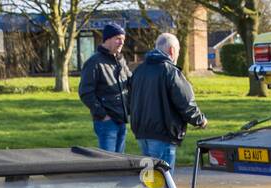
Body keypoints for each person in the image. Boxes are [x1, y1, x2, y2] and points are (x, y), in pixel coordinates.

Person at [128, 32, 207, 170]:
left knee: (150, 178)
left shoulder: (139, 70)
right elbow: (185, 101)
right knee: (164, 179)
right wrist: (199, 120)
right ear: (172, 50)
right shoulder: (170, 71)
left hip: (141, 131)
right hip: (162, 133)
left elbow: (130, 98)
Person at [78, 23, 132, 153]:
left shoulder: (121, 61)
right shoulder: (94, 62)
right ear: (107, 39)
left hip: (122, 119)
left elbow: (130, 82)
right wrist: (102, 114)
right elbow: (85, 93)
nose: (121, 43)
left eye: (123, 40)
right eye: (118, 38)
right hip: (107, 122)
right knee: (108, 163)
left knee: (120, 163)